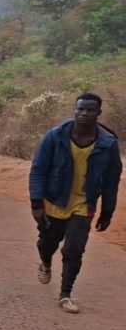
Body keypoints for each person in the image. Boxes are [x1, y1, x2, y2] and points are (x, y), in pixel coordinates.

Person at [28, 92, 121, 314]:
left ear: (98, 113)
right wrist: (36, 203)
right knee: (47, 243)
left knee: (74, 249)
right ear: (75, 110)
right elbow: (38, 170)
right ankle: (46, 262)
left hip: (83, 203)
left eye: (90, 110)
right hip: (54, 200)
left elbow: (111, 180)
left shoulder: (108, 143)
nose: (84, 113)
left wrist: (107, 211)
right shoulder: (55, 136)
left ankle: (65, 294)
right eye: (80, 109)